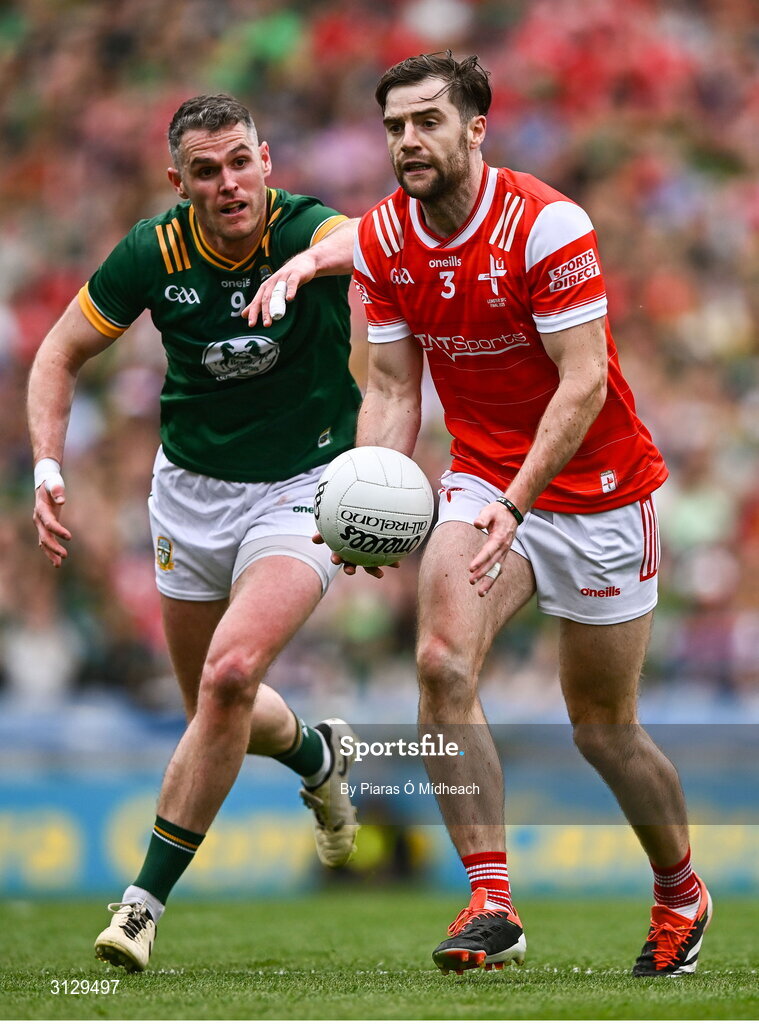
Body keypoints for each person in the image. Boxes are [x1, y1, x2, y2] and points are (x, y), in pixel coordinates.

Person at [260, 51, 713, 978]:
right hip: (479, 481)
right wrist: (368, 499)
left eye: (427, 121)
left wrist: (519, 500)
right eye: (393, 125)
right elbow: (392, 391)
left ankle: (680, 891)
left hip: (595, 492)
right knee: (438, 662)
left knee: (602, 729)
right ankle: (491, 901)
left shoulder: (548, 224)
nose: (406, 140)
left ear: (475, 128)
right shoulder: (386, 240)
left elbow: (584, 384)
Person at [28, 94, 362, 973]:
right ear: (178, 182)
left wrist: (308, 266)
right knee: (213, 708)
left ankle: (139, 907)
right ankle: (320, 756)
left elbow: (375, 239)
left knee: (230, 673)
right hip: (189, 498)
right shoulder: (153, 252)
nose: (229, 184)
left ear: (266, 159)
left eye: (241, 162)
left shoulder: (305, 228)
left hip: (304, 488)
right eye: (206, 171)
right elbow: (58, 354)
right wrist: (47, 465)